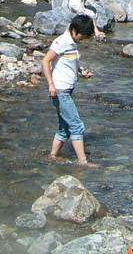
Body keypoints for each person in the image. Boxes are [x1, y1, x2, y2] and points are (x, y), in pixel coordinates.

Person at [41, 14, 99, 167]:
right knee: (77, 125)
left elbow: (70, 62)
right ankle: (83, 161)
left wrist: (81, 71)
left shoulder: (73, 43)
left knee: (64, 127)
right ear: (74, 30)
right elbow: (45, 61)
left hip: (66, 90)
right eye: (82, 35)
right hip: (59, 91)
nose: (83, 38)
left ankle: (52, 157)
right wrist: (51, 84)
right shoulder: (61, 42)